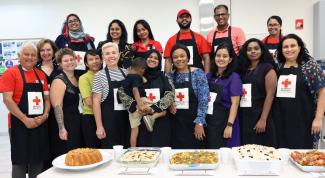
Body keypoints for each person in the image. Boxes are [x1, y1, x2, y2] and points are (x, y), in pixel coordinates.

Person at [1, 42, 50, 178]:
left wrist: (45, 115)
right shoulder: (10, 73)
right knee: (19, 162)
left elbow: (47, 99)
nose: (30, 57)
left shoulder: (41, 75)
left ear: (37, 58)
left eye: (33, 55)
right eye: (26, 54)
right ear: (19, 56)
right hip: (19, 124)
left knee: (38, 160)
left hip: (39, 123)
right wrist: (25, 119)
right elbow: (7, 99)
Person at [273, 34, 325, 149]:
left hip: (304, 120)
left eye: (293, 46)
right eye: (285, 47)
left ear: (300, 47)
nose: (289, 49)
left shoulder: (310, 66)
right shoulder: (277, 66)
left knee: (303, 155)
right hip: (280, 120)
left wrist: (318, 118)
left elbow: (322, 92)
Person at [118, 49, 175, 147]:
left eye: (156, 58)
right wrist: (137, 106)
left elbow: (170, 94)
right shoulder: (135, 75)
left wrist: (152, 108)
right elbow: (121, 92)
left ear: (159, 61)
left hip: (160, 124)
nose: (152, 59)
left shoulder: (163, 76)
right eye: (150, 57)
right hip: (140, 120)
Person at [168, 44, 209, 149]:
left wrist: (199, 122)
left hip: (194, 123)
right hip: (175, 124)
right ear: (172, 60)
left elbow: (203, 99)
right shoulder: (169, 76)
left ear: (188, 58)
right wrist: (169, 104)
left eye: (182, 56)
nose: (179, 59)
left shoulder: (198, 73)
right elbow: (166, 96)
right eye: (175, 57)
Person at [238, 38, 277, 146]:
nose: (253, 51)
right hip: (244, 116)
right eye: (249, 49)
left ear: (262, 50)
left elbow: (270, 95)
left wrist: (263, 119)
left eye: (256, 48)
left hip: (260, 114)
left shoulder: (268, 68)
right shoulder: (243, 69)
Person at [92, 42, 130, 148]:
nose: (111, 56)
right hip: (110, 124)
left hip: (127, 122)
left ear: (119, 54)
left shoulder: (126, 73)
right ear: (103, 57)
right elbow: (95, 103)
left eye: (114, 52)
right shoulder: (99, 76)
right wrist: (99, 126)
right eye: (107, 53)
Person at [206, 43, 242, 148]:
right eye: (218, 55)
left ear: (230, 59)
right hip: (209, 123)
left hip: (225, 122)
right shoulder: (208, 76)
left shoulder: (234, 77)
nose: (221, 58)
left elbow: (235, 104)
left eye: (225, 56)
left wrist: (229, 125)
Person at [50, 48, 82, 158]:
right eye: (65, 61)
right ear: (60, 63)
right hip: (67, 123)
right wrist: (62, 128)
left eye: (71, 59)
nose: (70, 62)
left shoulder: (77, 78)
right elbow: (57, 106)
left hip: (78, 121)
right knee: (68, 156)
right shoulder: (59, 80)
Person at [35, 39, 61, 170]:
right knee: (44, 144)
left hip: (58, 112)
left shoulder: (60, 68)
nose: (46, 53)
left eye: (48, 50)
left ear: (54, 51)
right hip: (42, 112)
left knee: (58, 143)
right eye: (42, 50)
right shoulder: (35, 70)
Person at [164, 9, 211, 73]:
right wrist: (167, 79)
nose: (184, 19)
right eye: (181, 17)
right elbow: (168, 61)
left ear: (191, 19)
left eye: (187, 17)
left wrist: (207, 76)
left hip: (197, 76)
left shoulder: (200, 38)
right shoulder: (171, 40)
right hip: (177, 77)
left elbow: (206, 58)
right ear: (177, 20)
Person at [78, 50, 102, 148]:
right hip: (90, 117)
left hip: (103, 116)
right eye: (91, 59)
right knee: (94, 148)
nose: (95, 61)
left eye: (97, 58)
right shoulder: (84, 78)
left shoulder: (104, 75)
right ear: (86, 63)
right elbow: (88, 101)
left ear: (101, 60)